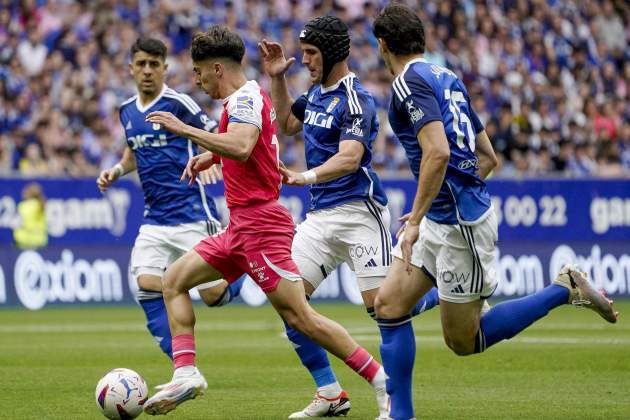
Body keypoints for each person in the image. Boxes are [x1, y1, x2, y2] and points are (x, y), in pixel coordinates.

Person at [370, 5, 619, 420]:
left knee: (464, 342)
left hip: (460, 226)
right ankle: (402, 415)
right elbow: (487, 157)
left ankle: (565, 287)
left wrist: (416, 219)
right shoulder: (447, 77)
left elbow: (438, 152)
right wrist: (435, 204)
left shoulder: (406, 84)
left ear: (382, 45)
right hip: (446, 216)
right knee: (389, 305)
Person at [141, 25, 388, 417]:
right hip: (240, 226)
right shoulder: (244, 99)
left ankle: (380, 380)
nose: (198, 79)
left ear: (218, 69)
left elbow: (241, 145)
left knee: (300, 317)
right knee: (173, 281)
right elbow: (254, 144)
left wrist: (186, 130)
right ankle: (186, 373)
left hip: (261, 227)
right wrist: (211, 156)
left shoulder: (242, 100)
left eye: (200, 71)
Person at [259, 16, 439, 418]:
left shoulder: (356, 97)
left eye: (311, 53)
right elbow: (288, 124)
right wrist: (276, 79)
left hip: (360, 212)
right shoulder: (316, 92)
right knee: (288, 301)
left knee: (383, 309)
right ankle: (329, 393)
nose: (304, 60)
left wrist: (304, 176)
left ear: (333, 52)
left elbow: (351, 156)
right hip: (321, 217)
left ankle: (436, 295)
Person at [96, 37, 243, 361]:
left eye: (153, 64)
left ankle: (242, 264)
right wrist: (118, 170)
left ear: (164, 68)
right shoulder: (126, 111)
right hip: (155, 218)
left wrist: (209, 156)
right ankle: (182, 366)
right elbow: (135, 148)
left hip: (192, 213)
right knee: (147, 284)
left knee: (213, 295)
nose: (147, 71)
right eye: (141, 64)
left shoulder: (179, 105)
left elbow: (217, 136)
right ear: (131, 68)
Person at [13, 182, 48, 249]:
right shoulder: (42, 205)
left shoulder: (23, 206)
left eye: (26, 191)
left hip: (24, 241)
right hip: (40, 241)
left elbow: (18, 223)